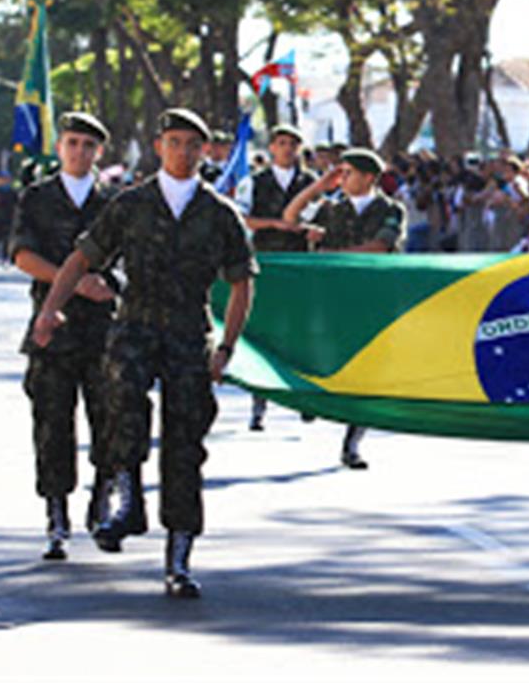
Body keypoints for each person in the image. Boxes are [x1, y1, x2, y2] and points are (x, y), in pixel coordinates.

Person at [31, 107, 256, 599]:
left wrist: (227, 346)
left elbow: (242, 283)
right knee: (120, 403)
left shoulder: (219, 214)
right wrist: (50, 311)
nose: (184, 152)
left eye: (193, 145)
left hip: (187, 335)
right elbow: (80, 260)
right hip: (134, 326)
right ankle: (125, 496)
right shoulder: (131, 205)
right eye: (175, 142)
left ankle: (178, 559)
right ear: (159, 147)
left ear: (204, 152)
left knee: (185, 445)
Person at [10, 112, 119, 560]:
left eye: (88, 145)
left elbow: (129, 261)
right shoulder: (36, 198)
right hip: (51, 329)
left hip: (102, 331)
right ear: (60, 148)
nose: (79, 152)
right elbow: (21, 254)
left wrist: (113, 284)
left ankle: (102, 501)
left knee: (110, 420)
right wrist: (72, 283)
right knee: (53, 424)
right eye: (72, 143)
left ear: (99, 153)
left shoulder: (115, 203)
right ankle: (56, 516)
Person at [283, 148, 406, 469]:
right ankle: (311, 397)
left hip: (372, 298)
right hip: (332, 296)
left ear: (369, 177)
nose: (343, 178)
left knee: (366, 371)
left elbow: (380, 246)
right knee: (319, 351)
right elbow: (290, 218)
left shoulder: (390, 209)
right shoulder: (332, 208)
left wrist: (332, 255)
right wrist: (316, 187)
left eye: (348, 172)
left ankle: (352, 443)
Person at [236, 124, 317, 431]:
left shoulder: (310, 182)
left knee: (299, 335)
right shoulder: (254, 182)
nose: (286, 149)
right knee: (263, 334)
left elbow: (319, 217)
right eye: (281, 142)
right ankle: (259, 403)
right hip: (266, 263)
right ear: (271, 147)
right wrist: (275, 224)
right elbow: (242, 217)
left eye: (292, 144)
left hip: (300, 266)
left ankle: (302, 399)